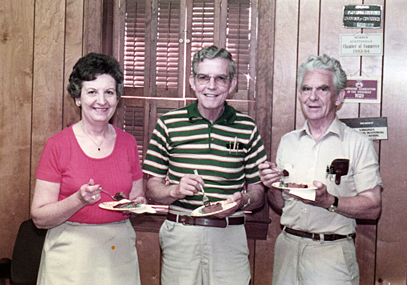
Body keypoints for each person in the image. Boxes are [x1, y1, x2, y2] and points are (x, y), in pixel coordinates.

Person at [142, 45, 267, 285]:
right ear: (192, 82)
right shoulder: (168, 124)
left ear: (232, 84)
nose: (211, 86)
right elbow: (152, 189)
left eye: (220, 78)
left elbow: (258, 191)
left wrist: (244, 200)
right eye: (203, 78)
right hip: (181, 235)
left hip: (229, 237)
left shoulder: (247, 127)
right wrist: (175, 190)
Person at [259, 54, 382, 285]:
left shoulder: (357, 144)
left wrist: (330, 201)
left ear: (339, 97)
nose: (312, 97)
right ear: (299, 94)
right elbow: (281, 204)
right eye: (306, 89)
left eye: (322, 89)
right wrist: (271, 186)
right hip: (287, 247)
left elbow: (373, 207)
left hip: (332, 253)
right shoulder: (288, 142)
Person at [31, 53, 146, 284]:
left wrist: (138, 204)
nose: (101, 101)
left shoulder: (128, 143)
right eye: (92, 92)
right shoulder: (58, 145)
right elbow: (39, 217)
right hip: (69, 255)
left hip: (118, 253)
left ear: (117, 98)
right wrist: (79, 200)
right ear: (78, 98)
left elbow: (136, 196)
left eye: (109, 92)